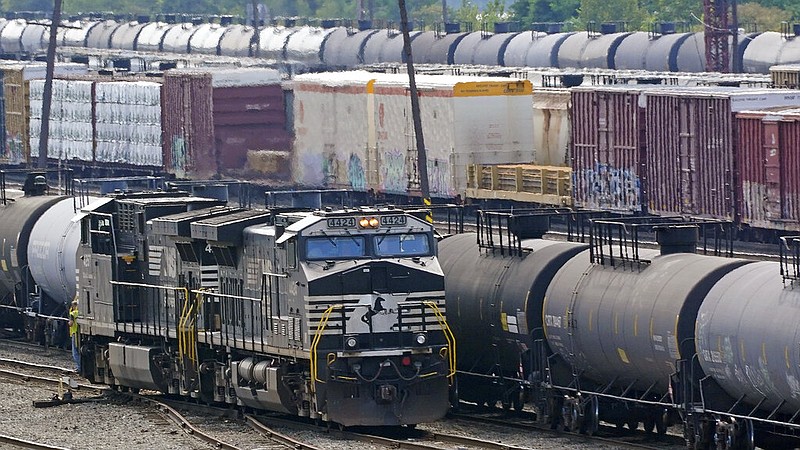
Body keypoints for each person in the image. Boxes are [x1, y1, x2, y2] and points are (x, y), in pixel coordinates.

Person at [68, 299, 80, 373]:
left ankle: (79, 367)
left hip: (74, 333)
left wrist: (68, 323)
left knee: (75, 352)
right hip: (79, 333)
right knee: (78, 352)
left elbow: (71, 323)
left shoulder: (72, 313)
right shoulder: (79, 313)